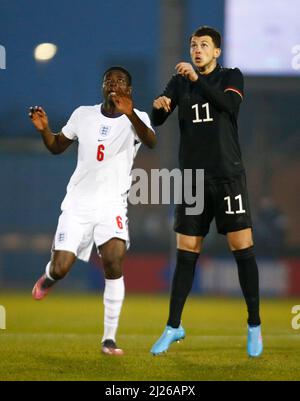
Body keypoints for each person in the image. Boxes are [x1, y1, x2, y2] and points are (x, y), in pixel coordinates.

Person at [150, 26, 263, 357]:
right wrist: (158, 105)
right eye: (193, 45)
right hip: (192, 180)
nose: (196, 50)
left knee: (241, 247)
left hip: (227, 176)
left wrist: (198, 82)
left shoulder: (232, 76)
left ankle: (254, 326)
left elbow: (228, 105)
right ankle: (173, 326)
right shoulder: (180, 81)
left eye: (203, 45)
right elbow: (158, 117)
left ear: (217, 52)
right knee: (186, 250)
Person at [29, 66, 156, 356]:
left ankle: (109, 340)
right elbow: (56, 147)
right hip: (78, 204)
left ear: (129, 89)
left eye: (120, 81)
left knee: (113, 261)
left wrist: (130, 113)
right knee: (61, 268)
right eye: (109, 80)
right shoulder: (83, 115)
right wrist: (45, 131)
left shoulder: (137, 118)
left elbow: (151, 141)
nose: (114, 84)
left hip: (112, 204)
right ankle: (48, 278)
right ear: (102, 86)